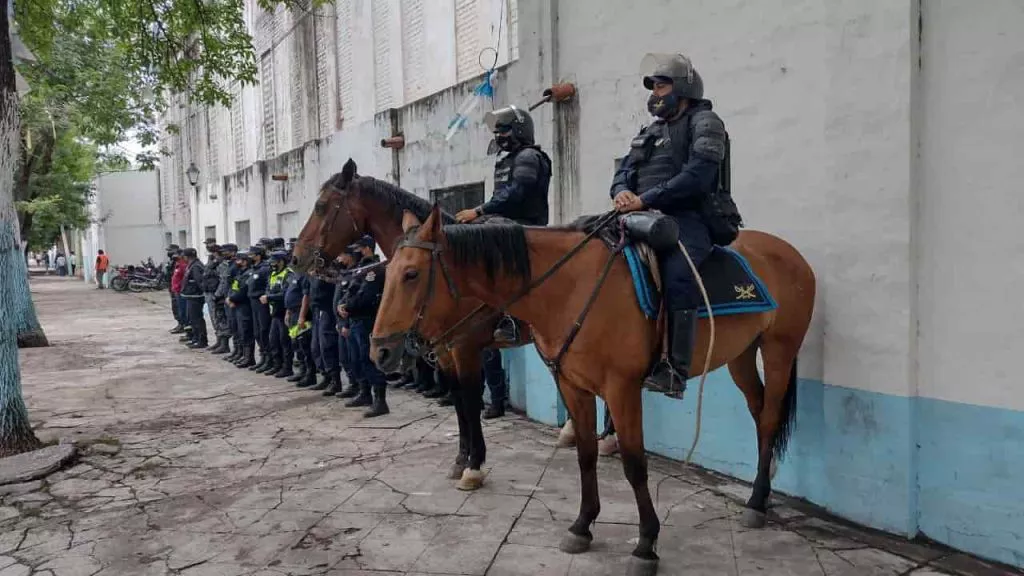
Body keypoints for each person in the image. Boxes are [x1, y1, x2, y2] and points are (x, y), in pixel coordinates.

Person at [610, 53, 729, 398]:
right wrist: (622, 194)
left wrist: (646, 199)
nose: (655, 93)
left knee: (678, 273)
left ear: (683, 88)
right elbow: (623, 173)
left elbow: (699, 176)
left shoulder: (706, 122)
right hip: (640, 217)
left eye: (661, 85)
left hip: (688, 221)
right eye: (654, 87)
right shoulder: (649, 132)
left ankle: (675, 371)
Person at [340, 235, 389, 417]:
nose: (356, 252)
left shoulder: (374, 270)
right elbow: (350, 290)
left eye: (359, 248)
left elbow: (366, 295)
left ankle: (380, 400)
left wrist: (348, 306)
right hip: (355, 319)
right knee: (357, 358)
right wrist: (343, 305)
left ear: (367, 248)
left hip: (366, 320)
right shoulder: (360, 268)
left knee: (371, 360)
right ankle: (365, 392)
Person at [307, 258, 341, 392]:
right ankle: (325, 376)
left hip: (327, 311)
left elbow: (336, 280)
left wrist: (322, 275)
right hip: (317, 311)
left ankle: (335, 380)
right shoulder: (315, 272)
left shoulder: (332, 270)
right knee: (316, 347)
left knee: (327, 346)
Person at [331, 248, 360, 398]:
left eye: (341, 254)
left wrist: (346, 324)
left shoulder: (356, 273)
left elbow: (351, 300)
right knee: (344, 357)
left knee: (353, 357)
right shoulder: (344, 273)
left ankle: (358, 386)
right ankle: (352, 383)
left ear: (349, 256)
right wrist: (338, 322)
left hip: (349, 323)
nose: (339, 258)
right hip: (341, 323)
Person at [264, 250, 294, 378]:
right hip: (274, 313)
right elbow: (268, 288)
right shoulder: (273, 274)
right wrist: (268, 295)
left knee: (284, 341)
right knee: (273, 340)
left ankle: (287, 367)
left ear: (282, 261)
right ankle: (277, 365)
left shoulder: (288, 274)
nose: (272, 264)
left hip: (283, 313)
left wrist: (269, 297)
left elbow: (286, 293)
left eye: (275, 262)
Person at [284, 256, 311, 383]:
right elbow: (290, 295)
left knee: (303, 345)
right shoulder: (295, 275)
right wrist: (288, 312)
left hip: (300, 314)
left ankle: (309, 374)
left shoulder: (304, 275)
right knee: (296, 343)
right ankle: (302, 371)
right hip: (293, 313)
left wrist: (302, 316)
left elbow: (306, 297)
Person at [246, 245, 272, 372]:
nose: (249, 257)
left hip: (261, 303)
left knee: (264, 330)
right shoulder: (253, 268)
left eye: (252, 255)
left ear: (258, 255)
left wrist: (265, 295)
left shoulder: (265, 268)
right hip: (253, 302)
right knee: (256, 332)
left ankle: (269, 359)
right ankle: (263, 357)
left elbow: (269, 284)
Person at [228, 253, 256, 368]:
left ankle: (249, 358)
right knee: (239, 330)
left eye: (239, 260)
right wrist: (230, 298)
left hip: (244, 305)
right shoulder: (240, 273)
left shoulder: (248, 274)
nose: (236, 263)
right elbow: (234, 287)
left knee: (246, 331)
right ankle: (243, 355)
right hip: (237, 305)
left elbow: (243, 290)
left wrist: (232, 299)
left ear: (245, 261)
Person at [212, 244, 238, 355]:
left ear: (232, 252)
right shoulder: (224, 264)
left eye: (225, 251)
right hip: (224, 296)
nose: (223, 254)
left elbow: (226, 282)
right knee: (223, 321)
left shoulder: (233, 265)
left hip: (228, 297)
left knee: (229, 323)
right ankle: (228, 347)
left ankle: (227, 346)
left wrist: (219, 295)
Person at [180, 248, 209, 349]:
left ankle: (201, 340)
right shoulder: (192, 264)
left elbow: (199, 282)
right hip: (191, 296)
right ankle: (196, 338)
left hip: (195, 296)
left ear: (187, 256)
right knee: (192, 319)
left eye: (184, 256)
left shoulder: (196, 266)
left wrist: (201, 292)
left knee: (197, 319)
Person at [202, 242, 226, 353]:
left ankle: (224, 344)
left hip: (217, 295)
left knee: (220, 319)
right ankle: (219, 341)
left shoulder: (222, 264)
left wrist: (217, 294)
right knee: (214, 318)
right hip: (210, 292)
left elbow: (223, 280)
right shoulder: (212, 261)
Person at [165, 245, 185, 334]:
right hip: (172, 287)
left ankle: (182, 325)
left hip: (178, 289)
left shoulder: (181, 262)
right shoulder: (172, 262)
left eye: (170, 251)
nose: (169, 253)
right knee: (175, 307)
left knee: (179, 308)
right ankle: (179, 323)